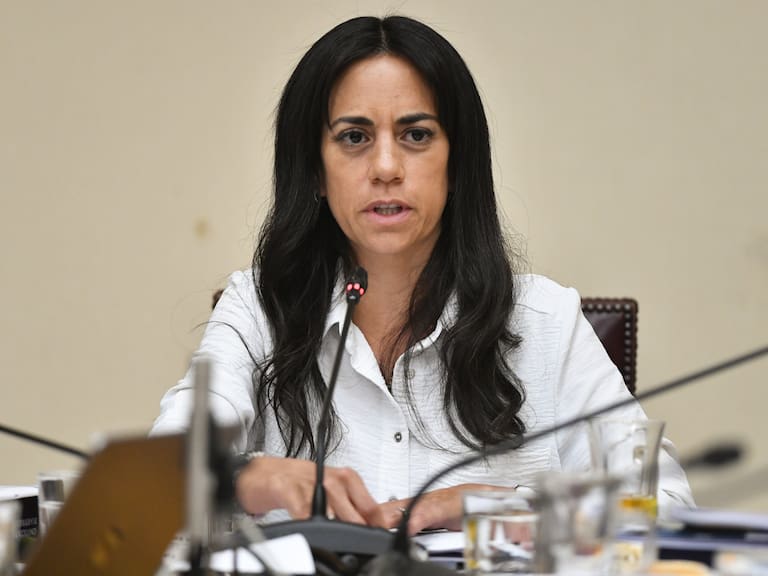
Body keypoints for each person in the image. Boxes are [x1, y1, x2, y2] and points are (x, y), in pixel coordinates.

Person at [151, 15, 693, 534]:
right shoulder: (259, 308)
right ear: (315, 171)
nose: (386, 167)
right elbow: (157, 475)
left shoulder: (545, 321)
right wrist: (252, 476)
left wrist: (485, 507)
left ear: (457, 165)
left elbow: (663, 507)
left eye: (415, 135)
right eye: (354, 138)